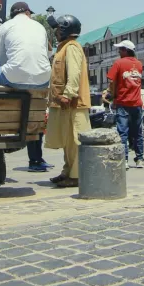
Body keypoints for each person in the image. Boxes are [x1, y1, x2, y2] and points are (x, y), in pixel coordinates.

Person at [0, 1, 52, 172]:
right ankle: (36, 160)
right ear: (28, 12)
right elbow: (46, 53)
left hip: (14, 75)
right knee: (34, 110)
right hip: (43, 78)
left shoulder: (6, 26)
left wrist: (2, 70)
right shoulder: (39, 27)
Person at [45, 15, 92, 188]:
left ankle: (77, 176)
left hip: (74, 103)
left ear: (65, 29)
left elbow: (74, 73)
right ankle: (68, 171)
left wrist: (68, 94)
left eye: (58, 28)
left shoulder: (72, 47)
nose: (56, 32)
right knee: (67, 141)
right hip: (65, 103)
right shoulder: (63, 47)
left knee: (75, 141)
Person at [106, 40, 144, 169]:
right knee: (138, 132)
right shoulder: (139, 64)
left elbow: (111, 81)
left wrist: (112, 95)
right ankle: (140, 159)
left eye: (120, 49)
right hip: (137, 104)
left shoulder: (119, 63)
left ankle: (125, 160)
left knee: (122, 133)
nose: (119, 51)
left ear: (126, 50)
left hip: (123, 103)